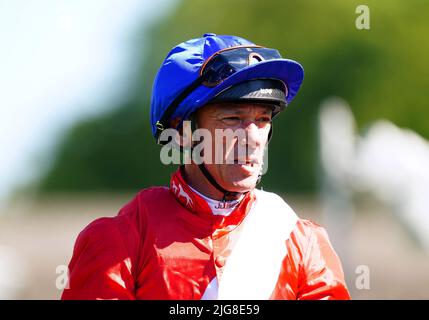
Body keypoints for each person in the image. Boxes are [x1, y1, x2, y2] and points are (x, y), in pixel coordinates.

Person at [61, 33, 350, 300]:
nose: (252, 139)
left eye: (263, 119)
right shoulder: (119, 242)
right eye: (232, 119)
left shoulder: (303, 242)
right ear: (183, 131)